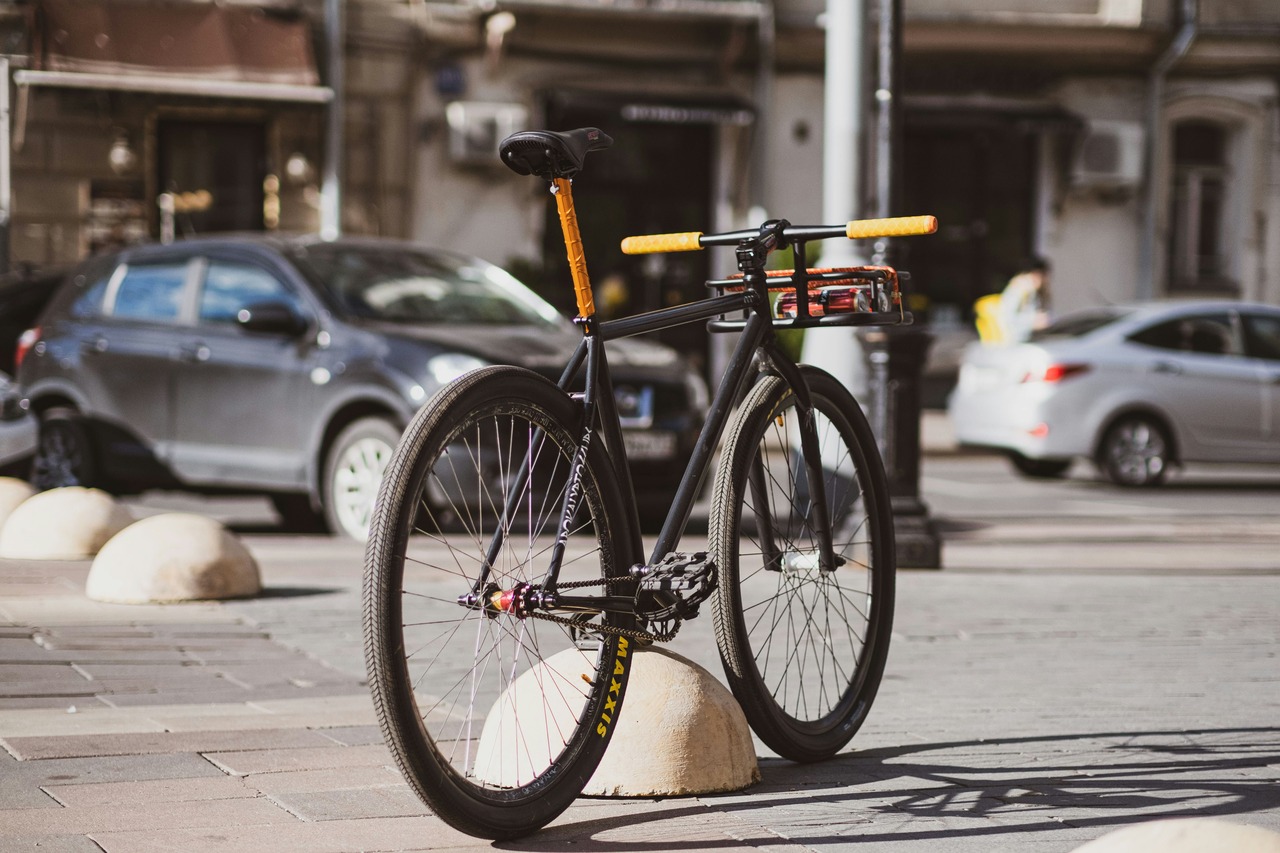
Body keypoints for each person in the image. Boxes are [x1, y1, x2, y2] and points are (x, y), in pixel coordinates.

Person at [998, 258, 1051, 344]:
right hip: (1014, 343)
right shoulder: (1018, 289)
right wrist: (1032, 321)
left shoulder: (1031, 292)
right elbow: (1006, 319)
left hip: (1025, 341)